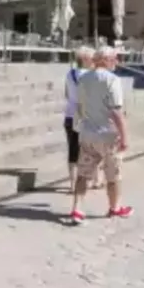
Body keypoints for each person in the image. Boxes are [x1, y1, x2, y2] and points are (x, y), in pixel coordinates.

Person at [69, 46, 132, 224]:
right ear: (105, 60)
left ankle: (77, 209)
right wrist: (124, 137)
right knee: (113, 175)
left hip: (88, 132)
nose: (117, 62)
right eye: (115, 58)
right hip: (108, 134)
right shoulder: (112, 80)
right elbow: (116, 111)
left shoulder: (83, 78)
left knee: (83, 173)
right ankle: (115, 207)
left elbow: (79, 106)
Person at [63, 46, 94, 185]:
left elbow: (67, 94)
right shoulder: (90, 76)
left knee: (73, 150)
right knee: (89, 150)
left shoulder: (70, 74)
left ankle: (72, 183)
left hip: (70, 115)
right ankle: (88, 180)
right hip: (86, 116)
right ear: (86, 59)